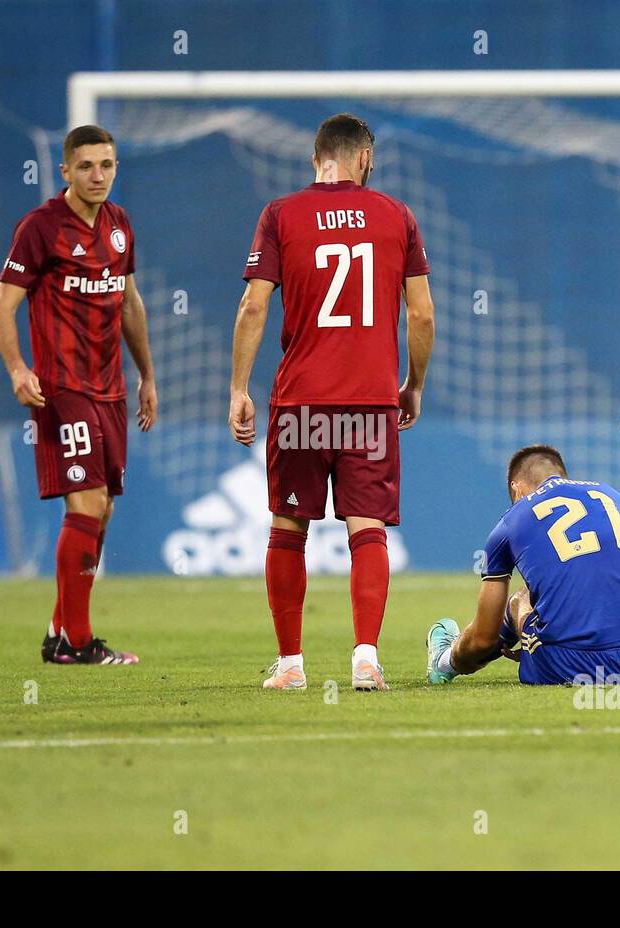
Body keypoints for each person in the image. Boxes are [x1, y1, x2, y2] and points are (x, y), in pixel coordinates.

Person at [230, 113, 435, 691]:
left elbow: (253, 306)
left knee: (288, 525)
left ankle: (291, 664)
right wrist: (413, 384)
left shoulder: (281, 214)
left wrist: (239, 388)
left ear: (314, 156)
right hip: (370, 403)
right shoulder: (397, 216)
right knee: (366, 527)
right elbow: (420, 313)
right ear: (364, 158)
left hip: (301, 402)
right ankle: (366, 657)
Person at [0, 124, 156, 665]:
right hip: (62, 388)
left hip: (109, 391)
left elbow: (128, 302)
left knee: (102, 509)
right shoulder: (40, 228)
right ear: (65, 171)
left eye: (107, 164)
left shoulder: (120, 225)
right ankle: (79, 644)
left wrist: (147, 374)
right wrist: (18, 369)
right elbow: (1, 308)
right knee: (85, 503)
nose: (98, 175)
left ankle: (60, 631)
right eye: (86, 166)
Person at [425, 445, 620, 686]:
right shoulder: (614, 497)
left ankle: (444, 661)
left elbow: (483, 640)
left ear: (516, 487)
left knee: (520, 599)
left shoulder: (509, 522)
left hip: (565, 666)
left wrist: (460, 655)